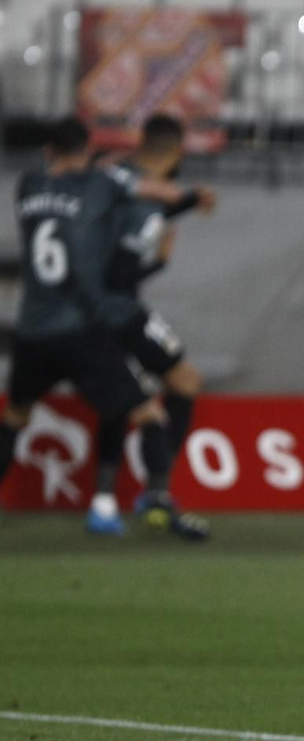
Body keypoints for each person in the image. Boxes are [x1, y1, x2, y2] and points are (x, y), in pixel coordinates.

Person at [0, 117, 210, 522]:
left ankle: (109, 500)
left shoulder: (26, 186)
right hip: (83, 326)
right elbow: (156, 191)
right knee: (148, 412)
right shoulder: (100, 187)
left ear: (48, 152)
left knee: (13, 419)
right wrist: (190, 199)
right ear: (88, 151)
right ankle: (155, 499)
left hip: (31, 330)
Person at [89, 114, 214, 540]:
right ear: (177, 151)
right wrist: (158, 260)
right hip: (117, 311)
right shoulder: (143, 199)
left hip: (93, 308)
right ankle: (154, 490)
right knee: (173, 383)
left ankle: (116, 497)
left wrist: (190, 202)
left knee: (129, 394)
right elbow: (120, 273)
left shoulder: (116, 178)